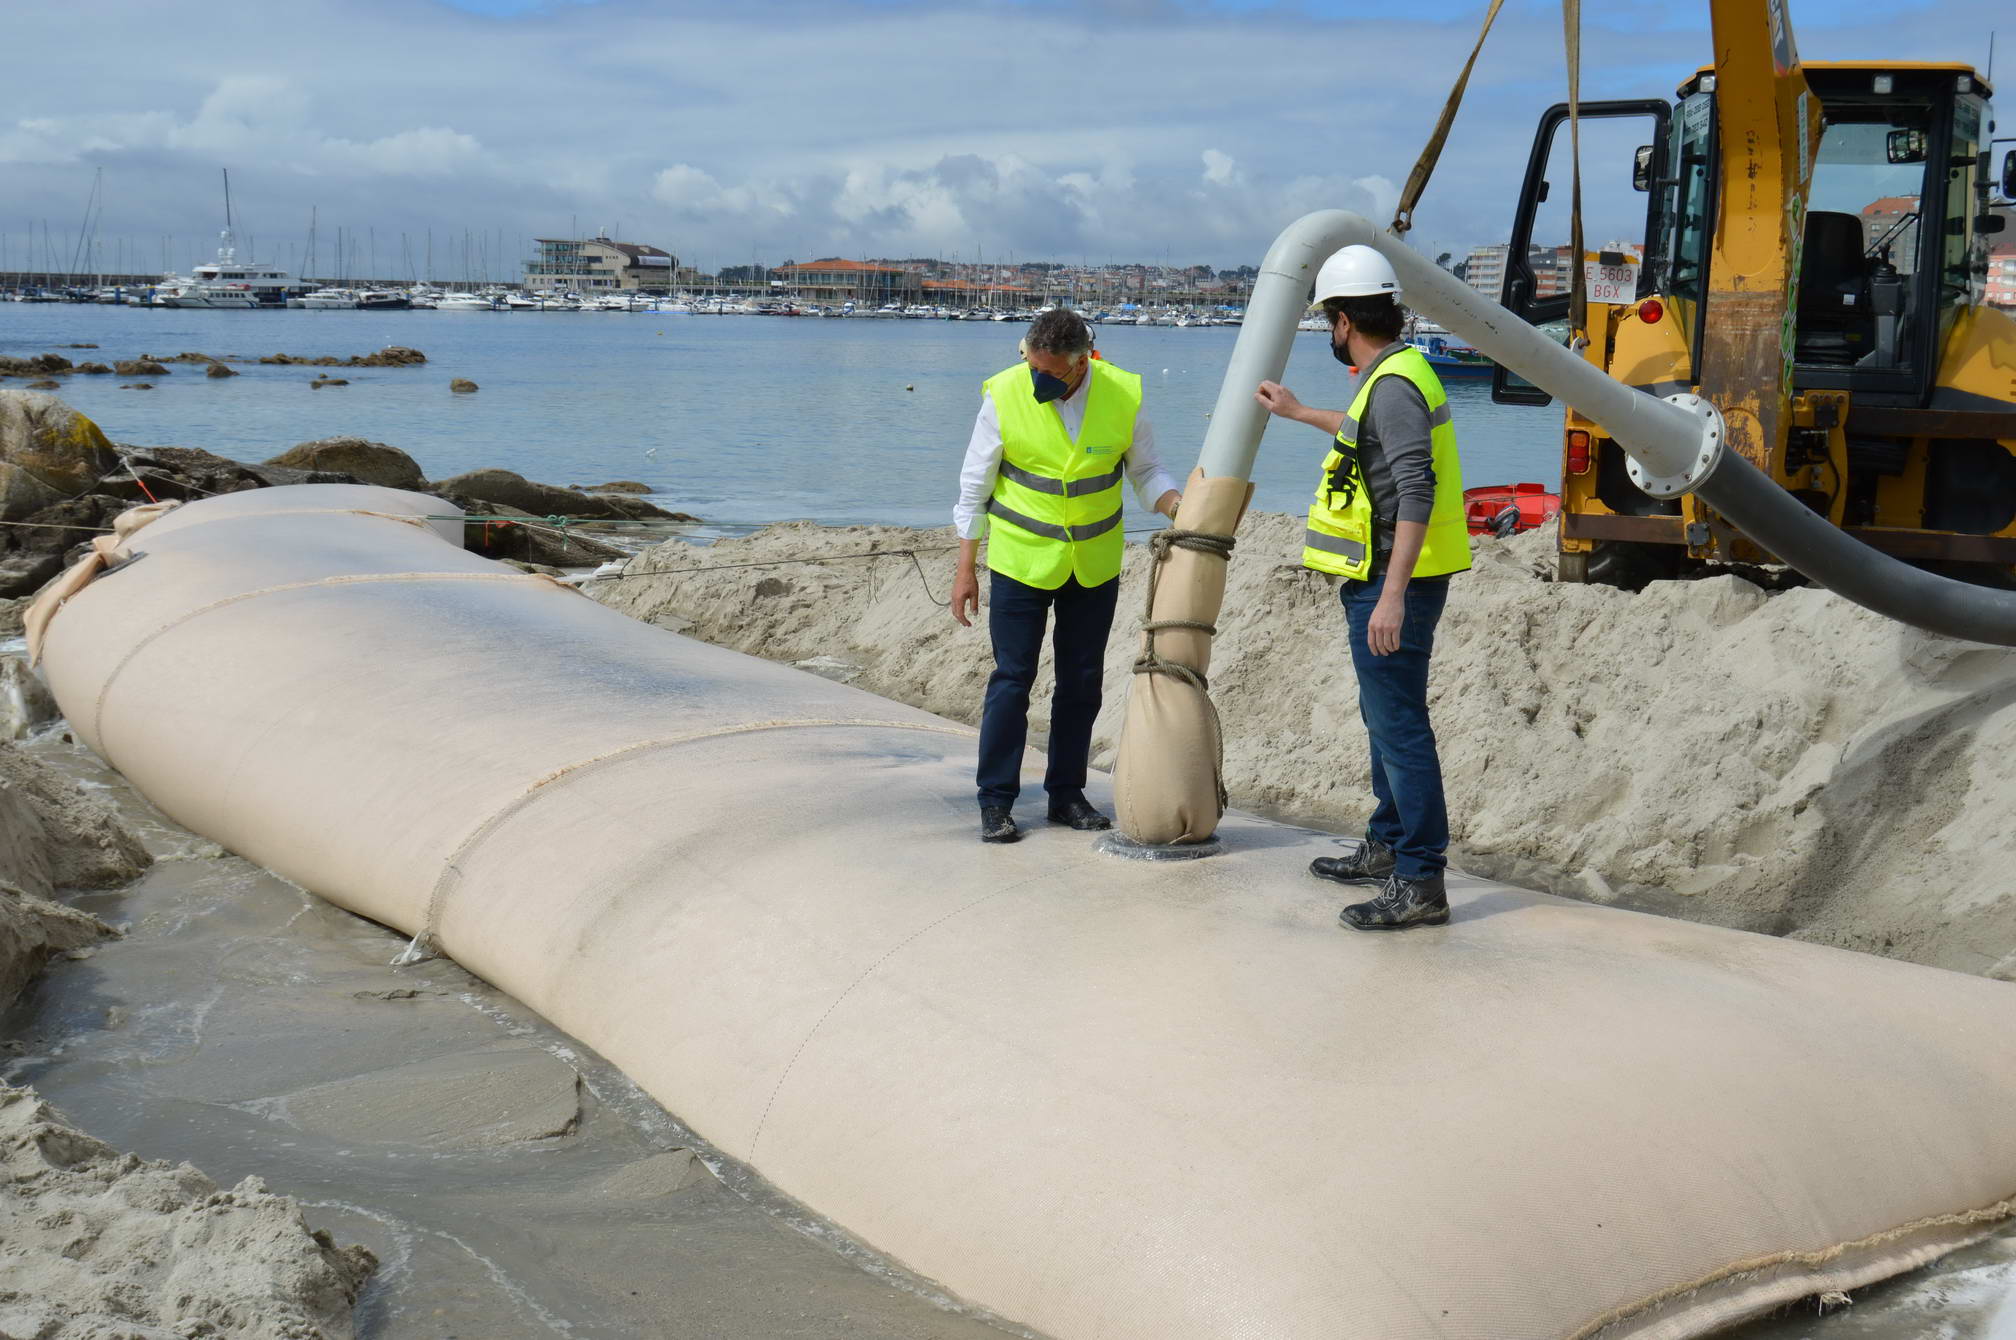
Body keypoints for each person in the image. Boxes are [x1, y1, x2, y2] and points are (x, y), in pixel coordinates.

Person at [1254, 245, 1471, 930]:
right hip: (1377, 577)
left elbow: (1415, 487)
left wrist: (1393, 595)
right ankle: (1388, 843)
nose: (1329, 332)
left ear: (1346, 319)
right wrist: (1297, 412)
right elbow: (1363, 437)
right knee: (1386, 722)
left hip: (1391, 580)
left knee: (1401, 729)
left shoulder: (1398, 384)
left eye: (1329, 321)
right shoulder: (1389, 377)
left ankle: (1420, 879)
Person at [951, 309, 1180, 844]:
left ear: (1081, 364)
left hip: (1094, 564)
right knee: (1012, 679)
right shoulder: (1005, 394)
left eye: (1049, 372)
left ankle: (1066, 794)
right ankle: (996, 800)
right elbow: (973, 485)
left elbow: (1145, 471)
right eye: (1031, 364)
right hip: (1019, 561)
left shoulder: (1122, 394)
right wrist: (966, 567)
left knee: (1081, 682)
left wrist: (1180, 506)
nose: (1037, 379)